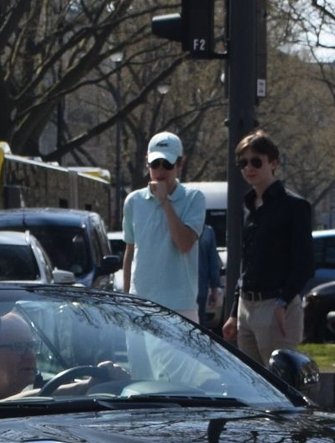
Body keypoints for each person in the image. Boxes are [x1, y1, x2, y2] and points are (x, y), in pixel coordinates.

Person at [223, 130, 314, 361]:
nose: (248, 168)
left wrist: (282, 302)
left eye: (256, 161)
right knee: (253, 384)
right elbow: (247, 264)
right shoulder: (249, 206)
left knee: (281, 384)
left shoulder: (294, 206)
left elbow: (305, 263)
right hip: (247, 305)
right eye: (243, 162)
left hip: (275, 304)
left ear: (273, 163)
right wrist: (234, 313)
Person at [120, 132, 203, 318]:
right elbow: (130, 251)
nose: (160, 170)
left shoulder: (194, 198)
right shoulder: (133, 201)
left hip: (180, 305)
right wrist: (127, 298)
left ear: (179, 164)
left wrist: (165, 201)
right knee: (137, 349)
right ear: (147, 162)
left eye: (167, 164)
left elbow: (184, 244)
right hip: (140, 303)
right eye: (155, 163)